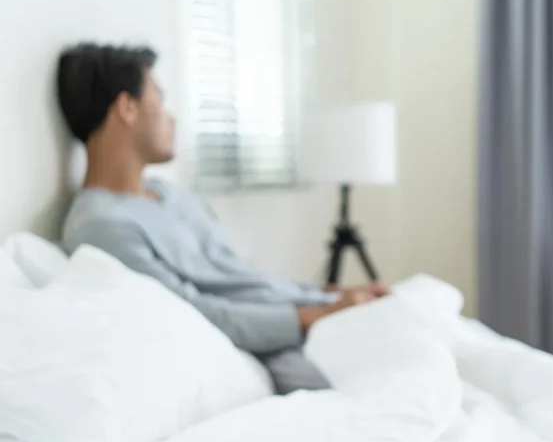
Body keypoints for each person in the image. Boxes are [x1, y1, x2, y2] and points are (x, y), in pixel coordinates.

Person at [57, 43, 386, 394]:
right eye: (159, 99)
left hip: (301, 311)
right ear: (127, 107)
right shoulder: (101, 226)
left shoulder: (172, 195)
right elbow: (195, 312)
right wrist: (317, 315)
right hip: (276, 340)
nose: (171, 118)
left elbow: (242, 277)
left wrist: (329, 295)